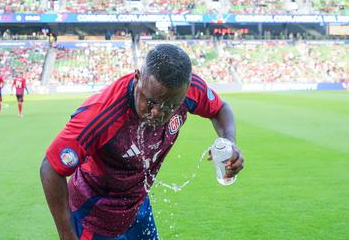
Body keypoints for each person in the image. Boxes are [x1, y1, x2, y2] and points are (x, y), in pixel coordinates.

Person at [40, 44, 245, 240]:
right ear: (138, 77)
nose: (157, 113)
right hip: (94, 216)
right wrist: (67, 236)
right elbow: (50, 168)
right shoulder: (102, 115)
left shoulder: (190, 90)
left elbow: (220, 109)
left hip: (138, 206)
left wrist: (229, 142)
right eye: (150, 101)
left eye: (170, 106)